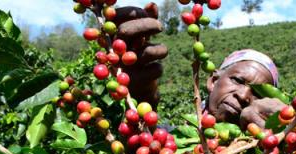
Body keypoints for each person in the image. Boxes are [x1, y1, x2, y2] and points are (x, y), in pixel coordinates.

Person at [115, 4, 284, 129]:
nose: (244, 96)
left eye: (257, 93)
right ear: (213, 81)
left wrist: (286, 131)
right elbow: (145, 151)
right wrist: (142, 100)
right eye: (238, 80)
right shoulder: (174, 143)